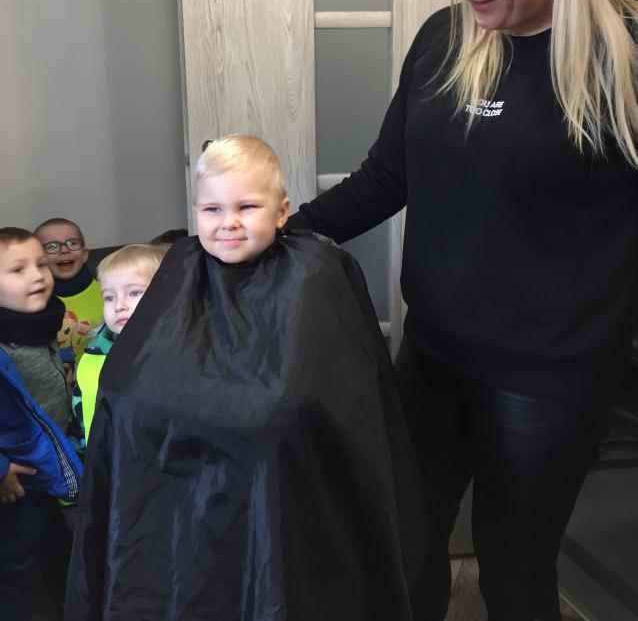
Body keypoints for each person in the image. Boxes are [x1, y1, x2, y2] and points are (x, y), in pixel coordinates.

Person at [286, 0, 638, 621]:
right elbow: (387, 176)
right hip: (435, 355)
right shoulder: (444, 41)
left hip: (550, 382)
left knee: (514, 577)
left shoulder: (621, 60)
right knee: (404, 550)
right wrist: (282, 233)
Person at [65, 135, 424, 621]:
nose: (228, 222)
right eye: (212, 209)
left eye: (246, 207)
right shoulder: (177, 267)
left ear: (282, 211)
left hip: (276, 495)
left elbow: (334, 402)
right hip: (172, 502)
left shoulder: (316, 275)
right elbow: (128, 383)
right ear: (195, 212)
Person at [0, 227, 82, 621]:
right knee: (16, 567)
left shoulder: (43, 320)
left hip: (53, 458)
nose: (37, 276)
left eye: (40, 265)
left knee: (58, 547)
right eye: (17, 270)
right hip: (17, 479)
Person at [71, 244, 165, 452]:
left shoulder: (176, 355)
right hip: (99, 462)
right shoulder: (92, 356)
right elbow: (80, 415)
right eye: (109, 297)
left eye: (134, 293)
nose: (119, 305)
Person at [35, 218, 103, 373]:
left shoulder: (108, 293)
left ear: (85, 254)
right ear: (38, 259)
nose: (64, 250)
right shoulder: (32, 301)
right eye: (52, 246)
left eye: (72, 243)